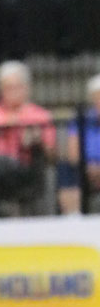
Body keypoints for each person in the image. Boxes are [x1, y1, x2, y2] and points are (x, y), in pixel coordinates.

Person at [0, 60, 57, 217]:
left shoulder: (39, 115)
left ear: (27, 88)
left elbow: (51, 155)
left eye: (17, 87)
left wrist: (37, 141)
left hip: (23, 168)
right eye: (8, 87)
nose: (13, 92)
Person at [57, 72, 100, 214]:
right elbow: (73, 153)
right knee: (66, 168)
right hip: (86, 168)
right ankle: (73, 218)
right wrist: (88, 167)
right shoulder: (82, 119)